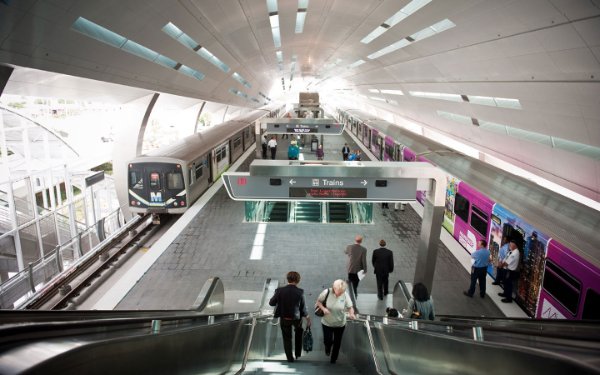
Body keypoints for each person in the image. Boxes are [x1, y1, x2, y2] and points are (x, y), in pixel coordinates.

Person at [269, 271, 311, 362]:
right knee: (298, 334)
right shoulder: (300, 292)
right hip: (296, 318)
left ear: (287, 279)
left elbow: (271, 303)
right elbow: (303, 308)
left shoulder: (280, 290)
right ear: (298, 280)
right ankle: (297, 354)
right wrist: (308, 318)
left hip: (284, 318)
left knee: (287, 338)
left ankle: (289, 358)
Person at [315, 279, 356, 364]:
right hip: (327, 323)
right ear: (334, 288)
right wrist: (324, 309)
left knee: (337, 342)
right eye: (339, 291)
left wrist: (352, 314)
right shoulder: (326, 292)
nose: (341, 293)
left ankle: (333, 359)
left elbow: (350, 307)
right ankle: (328, 347)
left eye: (342, 292)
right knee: (328, 340)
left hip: (340, 323)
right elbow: (318, 302)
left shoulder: (345, 294)